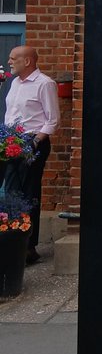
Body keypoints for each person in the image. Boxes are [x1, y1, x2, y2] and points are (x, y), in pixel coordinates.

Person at [3, 45, 59, 264]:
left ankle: (29, 247)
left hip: (33, 142)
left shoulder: (44, 84)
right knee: (11, 193)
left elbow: (52, 119)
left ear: (27, 61)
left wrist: (35, 142)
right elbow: (11, 115)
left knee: (29, 193)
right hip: (11, 142)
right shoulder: (15, 83)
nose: (9, 62)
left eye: (12, 58)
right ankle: (12, 242)